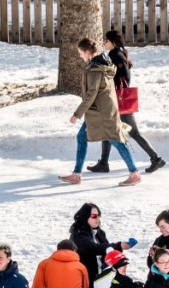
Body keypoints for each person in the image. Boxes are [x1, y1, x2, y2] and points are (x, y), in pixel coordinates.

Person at [59, 37, 142, 187]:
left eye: (80, 53)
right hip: (98, 111)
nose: (80, 56)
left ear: (87, 52)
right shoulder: (102, 63)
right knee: (82, 137)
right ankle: (76, 174)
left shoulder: (95, 69)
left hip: (102, 113)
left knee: (116, 140)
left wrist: (76, 114)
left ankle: (134, 173)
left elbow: (91, 94)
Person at [87, 30, 166, 175]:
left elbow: (123, 77)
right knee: (109, 129)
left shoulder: (114, 55)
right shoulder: (119, 53)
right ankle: (104, 163)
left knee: (132, 132)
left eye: (106, 40)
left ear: (113, 42)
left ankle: (155, 159)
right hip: (118, 100)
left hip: (119, 100)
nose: (104, 43)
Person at [69, 203, 132, 288]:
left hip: (102, 280)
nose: (97, 218)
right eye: (93, 216)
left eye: (98, 215)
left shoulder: (100, 233)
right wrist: (118, 245)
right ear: (85, 217)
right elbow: (93, 248)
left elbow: (106, 250)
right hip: (87, 283)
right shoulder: (77, 235)